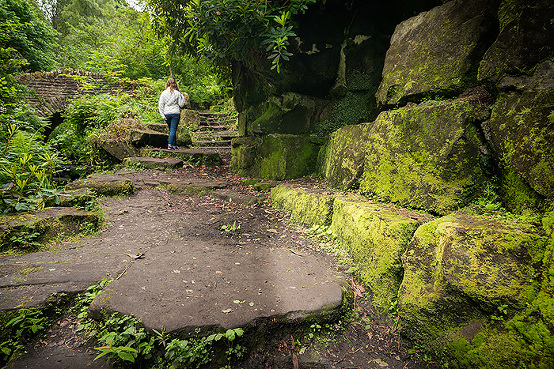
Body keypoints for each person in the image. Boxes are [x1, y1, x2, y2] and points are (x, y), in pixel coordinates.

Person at [158, 78, 189, 150]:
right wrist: (182, 97)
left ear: (167, 84)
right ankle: (169, 144)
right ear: (175, 84)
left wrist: (162, 115)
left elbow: (160, 105)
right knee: (173, 130)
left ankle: (174, 145)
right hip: (175, 113)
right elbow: (181, 105)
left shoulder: (163, 93)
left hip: (167, 113)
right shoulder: (177, 93)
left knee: (172, 130)